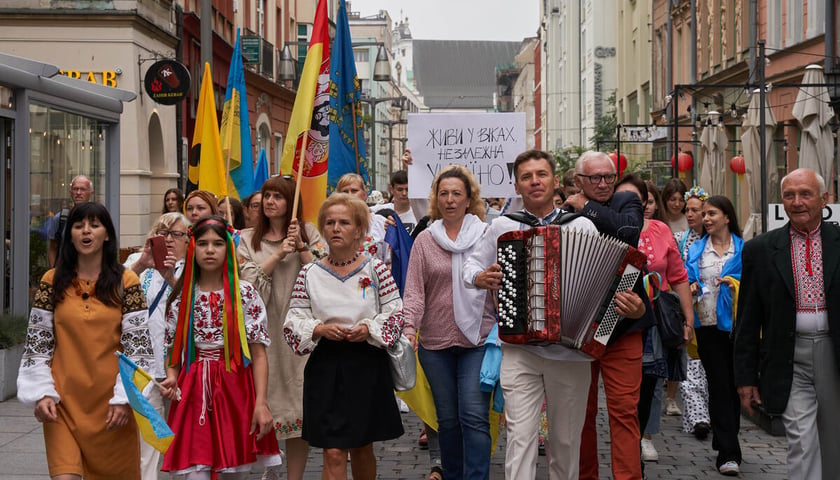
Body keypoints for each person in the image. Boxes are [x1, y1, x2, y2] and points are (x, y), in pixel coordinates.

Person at [463, 149, 645, 480]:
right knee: (520, 440)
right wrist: (478, 277)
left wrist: (633, 307)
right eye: (527, 176)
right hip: (519, 349)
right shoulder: (503, 226)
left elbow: (608, 286)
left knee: (565, 443)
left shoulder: (583, 227)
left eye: (541, 174)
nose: (535, 181)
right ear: (517, 186)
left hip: (571, 354)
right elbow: (471, 264)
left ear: (555, 180)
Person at [17, 202, 154, 479]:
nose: (86, 231)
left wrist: (124, 399)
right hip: (62, 404)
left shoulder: (127, 282)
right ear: (70, 235)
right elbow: (37, 343)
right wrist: (41, 392)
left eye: (94, 225)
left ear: (107, 234)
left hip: (112, 407)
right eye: (78, 226)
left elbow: (139, 349)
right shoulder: (51, 281)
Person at [284, 193, 405, 480]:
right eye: (329, 222)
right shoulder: (309, 273)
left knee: (362, 447)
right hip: (326, 365)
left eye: (344, 222)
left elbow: (396, 313)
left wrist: (369, 329)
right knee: (333, 451)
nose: (336, 228)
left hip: (366, 364)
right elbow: (293, 320)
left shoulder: (376, 269)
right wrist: (318, 329)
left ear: (359, 230)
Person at [734, 168, 840, 480]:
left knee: (834, 443)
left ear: (824, 199)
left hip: (834, 353)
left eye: (805, 194)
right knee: (801, 442)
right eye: (789, 195)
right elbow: (748, 319)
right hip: (786, 357)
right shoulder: (761, 249)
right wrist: (745, 378)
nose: (797, 202)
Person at [161, 216, 281, 478]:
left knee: (232, 470)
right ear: (193, 248)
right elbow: (173, 351)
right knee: (195, 471)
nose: (210, 250)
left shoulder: (245, 294)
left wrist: (261, 403)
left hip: (234, 387)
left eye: (217, 243)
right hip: (192, 389)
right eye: (202, 243)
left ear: (228, 248)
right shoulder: (182, 298)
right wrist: (171, 377)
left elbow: (259, 355)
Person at [403, 165, 494, 480]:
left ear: (469, 199)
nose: (450, 199)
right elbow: (414, 292)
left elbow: (499, 284)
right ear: (436, 199)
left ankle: (477, 476)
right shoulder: (426, 240)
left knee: (474, 416)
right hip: (435, 344)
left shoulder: (486, 235)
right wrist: (409, 329)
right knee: (448, 420)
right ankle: (453, 474)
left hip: (478, 341)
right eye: (444, 193)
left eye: (457, 193)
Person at [562, 152, 647, 480]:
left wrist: (586, 207)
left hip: (623, 324)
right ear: (578, 181)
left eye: (607, 177)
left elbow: (628, 232)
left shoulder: (626, 200)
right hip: (579, 327)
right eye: (594, 178)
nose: (602, 184)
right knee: (579, 415)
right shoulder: (563, 212)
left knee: (624, 412)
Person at [237, 176, 320, 480]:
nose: (270, 202)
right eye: (267, 196)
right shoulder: (246, 239)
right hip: (262, 332)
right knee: (263, 404)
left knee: (298, 409)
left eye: (278, 197)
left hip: (296, 333)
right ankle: (270, 468)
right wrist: (279, 254)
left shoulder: (309, 232)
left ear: (291, 202)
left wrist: (300, 247)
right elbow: (247, 285)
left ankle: (294, 477)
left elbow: (321, 276)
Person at [614, 176, 694, 468]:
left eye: (644, 201)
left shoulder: (661, 230)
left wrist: (688, 317)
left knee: (649, 384)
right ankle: (625, 447)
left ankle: (641, 440)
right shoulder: (609, 227)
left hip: (654, 319)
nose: (640, 207)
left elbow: (678, 275)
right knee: (624, 394)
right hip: (616, 321)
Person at [124, 212, 190, 480]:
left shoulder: (192, 267)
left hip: (178, 364)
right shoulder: (134, 261)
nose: (170, 239)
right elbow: (111, 293)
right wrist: (142, 264)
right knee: (148, 439)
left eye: (177, 234)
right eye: (163, 233)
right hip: (141, 364)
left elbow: (195, 307)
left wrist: (171, 278)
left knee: (179, 435)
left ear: (188, 240)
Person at [685, 195, 743, 476]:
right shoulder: (696, 250)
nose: (706, 219)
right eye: (704, 214)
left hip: (737, 328)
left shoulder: (744, 250)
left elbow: (753, 283)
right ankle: (729, 454)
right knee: (720, 385)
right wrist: (691, 285)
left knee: (734, 387)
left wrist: (734, 283)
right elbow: (685, 277)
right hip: (706, 326)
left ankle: (724, 439)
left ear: (727, 217)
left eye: (712, 214)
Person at [675, 186, 712, 440]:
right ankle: (698, 417)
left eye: (694, 210)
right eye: (687, 210)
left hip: (712, 310)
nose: (689, 214)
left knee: (710, 366)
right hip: (688, 310)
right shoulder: (680, 239)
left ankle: (707, 412)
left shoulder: (716, 240)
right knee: (691, 366)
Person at [336, 173, 389, 263]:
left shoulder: (381, 223)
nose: (350, 195)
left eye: (354, 191)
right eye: (345, 192)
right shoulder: (333, 225)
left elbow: (390, 260)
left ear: (364, 194)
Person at [48, 174, 95, 267]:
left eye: (83, 189)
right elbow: (53, 248)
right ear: (70, 193)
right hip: (65, 276)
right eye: (75, 189)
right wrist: (54, 274)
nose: (78, 192)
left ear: (91, 193)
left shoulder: (98, 219)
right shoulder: (60, 218)